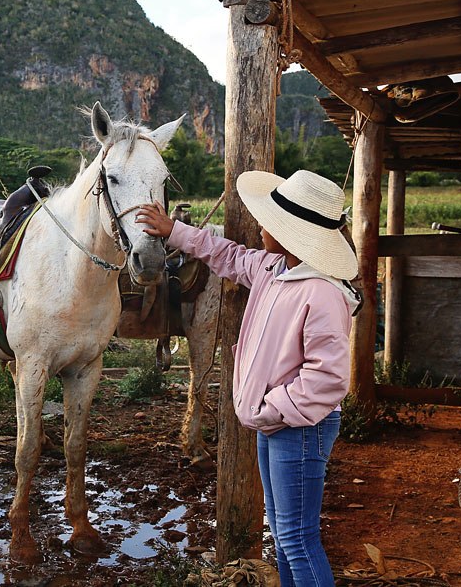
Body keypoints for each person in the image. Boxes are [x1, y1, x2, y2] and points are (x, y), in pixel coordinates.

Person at [136, 169, 361, 587]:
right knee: (282, 534)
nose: (260, 226)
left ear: (291, 233)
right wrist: (175, 231)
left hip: (299, 426)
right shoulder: (274, 268)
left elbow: (328, 378)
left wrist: (270, 409)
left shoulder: (323, 292)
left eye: (270, 222)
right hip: (275, 423)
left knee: (297, 538)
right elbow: (227, 255)